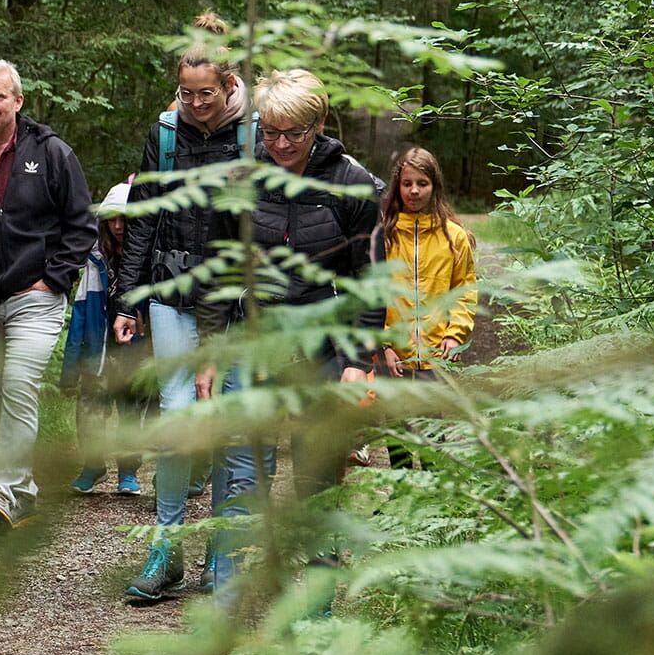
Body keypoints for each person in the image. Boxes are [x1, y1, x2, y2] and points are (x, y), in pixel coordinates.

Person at [196, 68, 383, 595]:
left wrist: (358, 362)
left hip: (322, 348)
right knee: (242, 477)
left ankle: (316, 611)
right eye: (270, 131)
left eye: (294, 133)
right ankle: (230, 605)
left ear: (318, 124)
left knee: (315, 481)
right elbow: (218, 272)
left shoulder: (351, 184)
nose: (280, 144)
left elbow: (371, 283)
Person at [112, 51, 256, 602]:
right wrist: (127, 301)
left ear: (229, 85)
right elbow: (143, 217)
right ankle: (166, 547)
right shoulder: (166, 135)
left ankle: (221, 551)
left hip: (233, 299)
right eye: (186, 93)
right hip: (170, 291)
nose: (195, 103)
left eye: (206, 93)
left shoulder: (253, 136)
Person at [0, 59, 97, 536]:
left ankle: (3, 494)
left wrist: (54, 279)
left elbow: (81, 224)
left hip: (34, 297)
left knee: (17, 385)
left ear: (18, 101)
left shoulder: (51, 152)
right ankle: (26, 489)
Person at [60, 181, 150, 496]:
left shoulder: (146, 262)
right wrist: (70, 368)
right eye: (112, 219)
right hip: (96, 350)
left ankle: (128, 471)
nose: (118, 226)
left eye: (124, 219)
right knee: (89, 412)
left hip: (132, 351)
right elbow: (81, 313)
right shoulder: (95, 260)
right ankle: (93, 465)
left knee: (130, 411)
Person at [375, 146, 477, 379]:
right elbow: (373, 294)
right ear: (397, 186)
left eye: (422, 183)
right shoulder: (384, 236)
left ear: (434, 186)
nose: (414, 190)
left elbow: (464, 291)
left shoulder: (454, 236)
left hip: (438, 357)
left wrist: (455, 335)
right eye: (407, 183)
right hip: (394, 359)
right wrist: (384, 344)